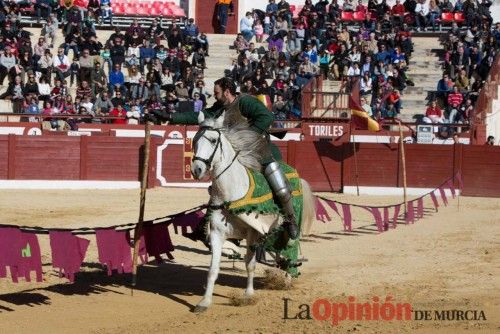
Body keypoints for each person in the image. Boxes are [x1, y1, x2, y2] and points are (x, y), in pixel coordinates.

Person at [148, 77, 300, 240]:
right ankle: (207, 224)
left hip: (259, 151)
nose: (215, 96)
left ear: (227, 92)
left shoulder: (245, 102)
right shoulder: (219, 108)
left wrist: (247, 136)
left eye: (217, 93)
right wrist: (170, 117)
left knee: (281, 188)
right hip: (236, 155)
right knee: (219, 186)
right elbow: (198, 115)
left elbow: (266, 117)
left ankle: (290, 220)